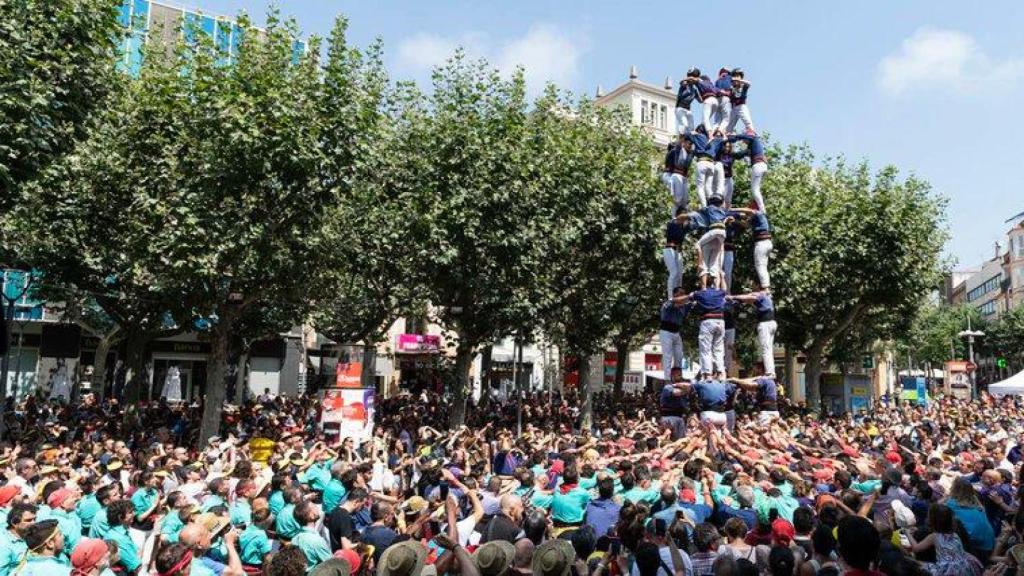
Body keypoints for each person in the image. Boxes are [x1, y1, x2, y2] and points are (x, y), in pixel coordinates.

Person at [903, 503, 983, 576]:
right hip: (965, 566)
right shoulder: (955, 534)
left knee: (914, 563)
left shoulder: (934, 537)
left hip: (947, 570)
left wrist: (907, 533)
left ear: (932, 521)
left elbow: (916, 548)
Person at [729, 288, 777, 374]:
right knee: (768, 350)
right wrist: (739, 300)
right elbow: (748, 300)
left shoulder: (761, 294)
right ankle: (771, 371)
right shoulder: (767, 295)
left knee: (765, 349)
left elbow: (749, 297)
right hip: (771, 323)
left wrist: (733, 297)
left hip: (765, 324)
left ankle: (769, 372)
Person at [728, 134, 769, 213]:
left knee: (755, 190)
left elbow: (750, 136)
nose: (744, 142)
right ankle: (757, 205)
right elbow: (739, 155)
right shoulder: (752, 148)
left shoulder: (755, 140)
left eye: (745, 141)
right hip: (762, 166)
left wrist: (734, 137)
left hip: (758, 166)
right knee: (756, 189)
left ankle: (762, 210)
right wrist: (730, 153)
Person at [659, 288, 690, 380]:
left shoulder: (684, 306)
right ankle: (667, 379)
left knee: (679, 355)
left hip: (676, 332)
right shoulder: (668, 303)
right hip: (666, 331)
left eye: (684, 293)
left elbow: (691, 304)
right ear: (675, 294)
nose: (683, 295)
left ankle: (678, 376)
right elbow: (672, 305)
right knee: (667, 356)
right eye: (681, 293)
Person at [292, 501, 333, 571]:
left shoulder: (294, 539)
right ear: (311, 516)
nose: (317, 507)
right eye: (314, 506)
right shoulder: (317, 541)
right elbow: (332, 564)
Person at [328, 487, 368, 551]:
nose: (362, 509)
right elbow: (346, 547)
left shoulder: (334, 511)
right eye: (362, 505)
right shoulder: (345, 517)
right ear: (356, 502)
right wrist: (361, 545)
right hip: (343, 557)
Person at [239, 498, 273, 570]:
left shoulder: (249, 528)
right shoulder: (261, 535)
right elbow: (268, 558)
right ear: (266, 522)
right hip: (255, 567)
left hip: (243, 564)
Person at [660, 370, 691, 441]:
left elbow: (690, 386)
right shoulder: (667, 387)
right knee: (667, 441)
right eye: (679, 375)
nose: (681, 377)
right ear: (672, 376)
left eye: (681, 375)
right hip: (669, 417)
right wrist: (685, 389)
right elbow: (677, 393)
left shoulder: (680, 386)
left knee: (680, 441)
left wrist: (679, 385)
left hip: (679, 416)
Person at [726, 69, 755, 135]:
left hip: (741, 106)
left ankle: (751, 132)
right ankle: (727, 135)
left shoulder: (743, 85)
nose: (736, 78)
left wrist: (739, 80)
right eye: (734, 76)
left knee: (747, 120)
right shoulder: (731, 88)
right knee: (729, 125)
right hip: (733, 108)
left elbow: (749, 83)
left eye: (737, 76)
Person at [675, 68, 701, 135]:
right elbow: (681, 82)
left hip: (688, 110)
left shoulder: (694, 90)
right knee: (684, 124)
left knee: (692, 128)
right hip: (680, 108)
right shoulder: (685, 84)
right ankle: (681, 139)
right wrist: (689, 78)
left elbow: (700, 100)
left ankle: (689, 142)